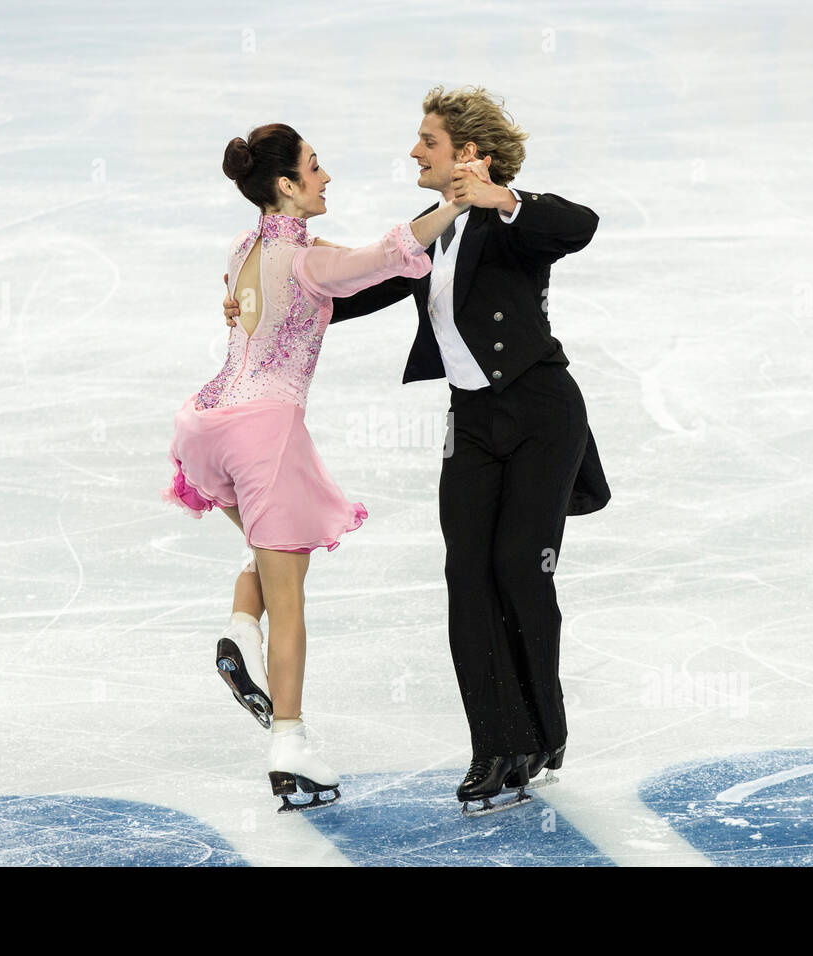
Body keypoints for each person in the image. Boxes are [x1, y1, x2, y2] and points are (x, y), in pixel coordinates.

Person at [224, 88, 610, 815]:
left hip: (539, 415)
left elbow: (580, 225)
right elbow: (348, 286)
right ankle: (495, 746)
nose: (414, 152)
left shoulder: (510, 219)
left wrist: (505, 196)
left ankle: (542, 735)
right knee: (467, 577)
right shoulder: (431, 235)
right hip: (471, 425)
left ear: (466, 153)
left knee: (519, 572)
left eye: (426, 141)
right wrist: (260, 293)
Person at [163, 123, 469, 812]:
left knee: (276, 565)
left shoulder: (247, 247)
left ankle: (241, 631)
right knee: (292, 596)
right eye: (315, 167)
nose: (325, 177)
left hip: (207, 425)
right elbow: (378, 255)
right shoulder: (304, 262)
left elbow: (363, 260)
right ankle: (290, 745)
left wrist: (414, 235)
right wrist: (453, 206)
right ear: (285, 185)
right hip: (264, 435)